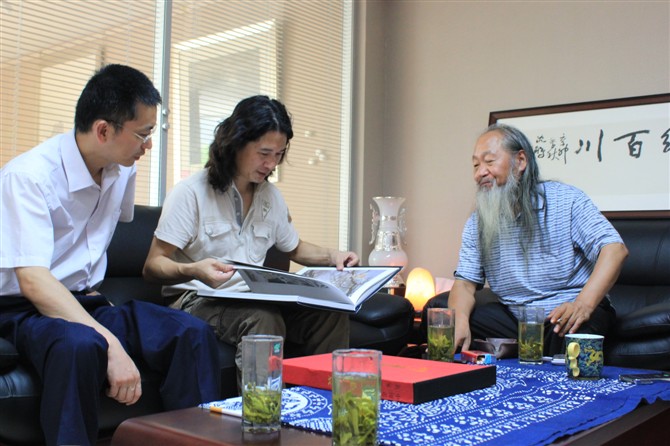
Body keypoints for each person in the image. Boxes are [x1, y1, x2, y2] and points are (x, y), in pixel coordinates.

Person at [0, 64, 221, 446]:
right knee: (82, 345)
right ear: (103, 130)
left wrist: (99, 322)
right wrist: (111, 344)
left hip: (86, 302)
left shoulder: (121, 169)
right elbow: (33, 281)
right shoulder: (28, 176)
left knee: (192, 333)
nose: (147, 146)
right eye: (143, 134)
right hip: (22, 310)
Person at [142, 95, 356, 388]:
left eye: (278, 154)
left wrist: (334, 256)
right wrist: (193, 270)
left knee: (330, 314)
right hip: (197, 298)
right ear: (236, 143)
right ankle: (261, 412)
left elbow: (294, 247)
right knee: (262, 319)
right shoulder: (191, 193)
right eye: (264, 153)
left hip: (254, 296)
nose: (271, 164)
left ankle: (321, 404)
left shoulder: (270, 196)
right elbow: (153, 264)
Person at [448, 123, 628, 356]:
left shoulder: (566, 200)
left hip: (567, 313)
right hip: (518, 320)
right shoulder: (477, 222)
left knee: (578, 334)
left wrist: (582, 304)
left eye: (489, 161)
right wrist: (459, 320)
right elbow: (464, 284)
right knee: (445, 320)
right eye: (475, 165)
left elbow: (615, 249)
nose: (480, 173)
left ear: (521, 161)